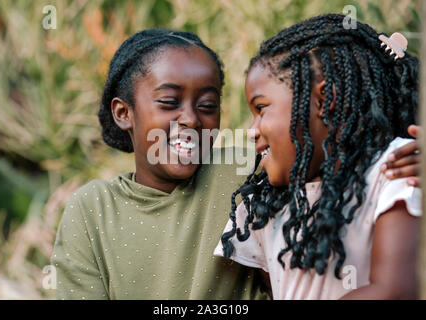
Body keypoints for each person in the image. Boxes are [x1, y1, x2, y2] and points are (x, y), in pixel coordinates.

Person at [51, 26, 419, 300]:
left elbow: (331, 133)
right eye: (168, 102)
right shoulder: (92, 210)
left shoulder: (253, 173)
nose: (192, 119)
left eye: (208, 106)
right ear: (123, 112)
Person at [216, 14, 422, 300]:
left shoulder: (396, 169)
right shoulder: (264, 207)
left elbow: (395, 291)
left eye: (261, 109)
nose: (252, 132)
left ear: (324, 101)